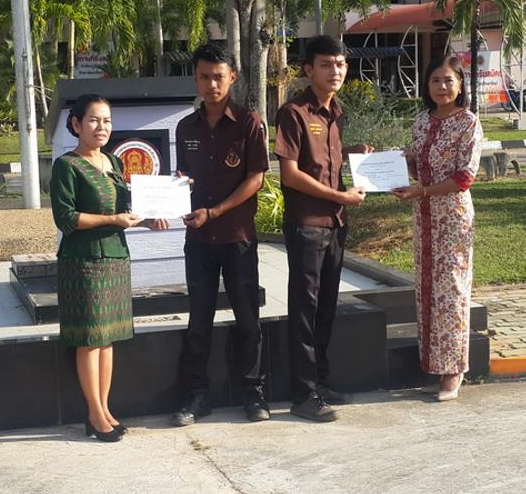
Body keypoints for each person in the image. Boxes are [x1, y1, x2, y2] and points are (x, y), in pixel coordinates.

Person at [51, 94, 168, 442]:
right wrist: (113, 220)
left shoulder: (114, 161)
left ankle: (104, 409)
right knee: (90, 340)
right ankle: (94, 413)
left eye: (107, 120)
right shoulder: (67, 166)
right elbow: (66, 218)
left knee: (108, 339)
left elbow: (125, 211)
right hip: (84, 261)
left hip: (116, 257)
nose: (101, 127)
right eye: (93, 120)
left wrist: (147, 220)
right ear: (76, 124)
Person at [169, 42, 270, 427]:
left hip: (237, 236)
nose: (211, 84)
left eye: (218, 77)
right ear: (195, 79)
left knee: (248, 320)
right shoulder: (186, 127)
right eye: (204, 77)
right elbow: (183, 176)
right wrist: (178, 189)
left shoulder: (248, 123)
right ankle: (196, 396)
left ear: (233, 77)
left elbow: (256, 179)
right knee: (199, 321)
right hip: (198, 241)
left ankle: (253, 393)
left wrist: (214, 212)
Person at [274, 35, 372, 422]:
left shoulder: (336, 113)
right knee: (305, 309)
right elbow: (291, 174)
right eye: (327, 64)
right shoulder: (294, 112)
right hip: (308, 225)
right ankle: (303, 394)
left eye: (341, 64)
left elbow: (324, 160)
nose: (336, 71)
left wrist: (352, 154)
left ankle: (319, 381)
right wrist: (339, 196)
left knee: (326, 308)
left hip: (335, 224)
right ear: (308, 69)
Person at [391, 56, 482, 401]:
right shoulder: (421, 121)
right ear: (426, 85)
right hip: (424, 216)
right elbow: (419, 168)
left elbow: (464, 177)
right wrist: (402, 163)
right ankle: (434, 364)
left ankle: (454, 370)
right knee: (427, 289)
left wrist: (423, 192)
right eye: (435, 81)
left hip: (452, 217)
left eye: (448, 80)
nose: (442, 87)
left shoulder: (468, 122)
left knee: (451, 290)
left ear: (460, 84)